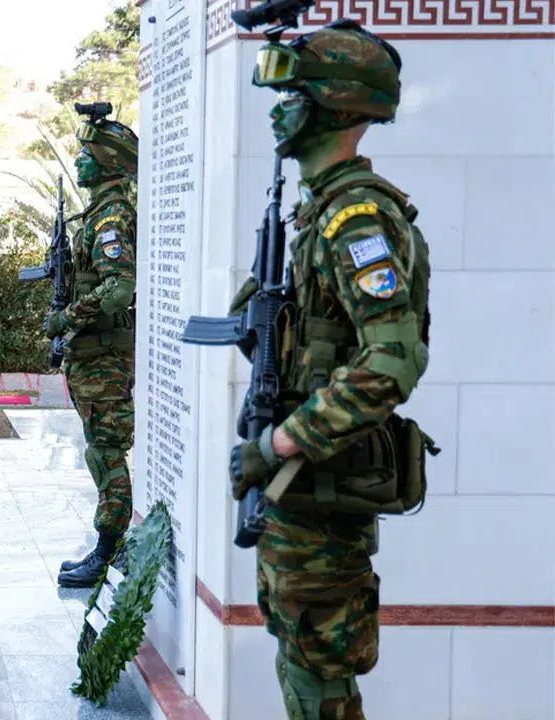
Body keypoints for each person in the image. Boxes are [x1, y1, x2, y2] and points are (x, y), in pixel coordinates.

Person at [227, 20, 430, 719]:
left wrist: (281, 443)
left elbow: (392, 363)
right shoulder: (318, 214)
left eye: (293, 97)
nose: (278, 112)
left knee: (320, 673)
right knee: (301, 656)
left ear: (334, 105)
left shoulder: (355, 220)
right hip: (307, 489)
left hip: (321, 482)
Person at [46, 105, 140, 588]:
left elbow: (119, 288)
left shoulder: (112, 217)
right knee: (99, 451)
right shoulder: (100, 213)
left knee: (106, 453)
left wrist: (67, 318)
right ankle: (109, 546)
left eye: (87, 154)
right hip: (92, 355)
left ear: (107, 162)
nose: (79, 161)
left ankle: (108, 551)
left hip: (105, 357)